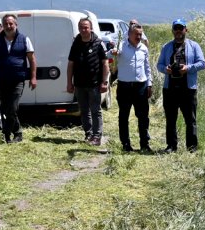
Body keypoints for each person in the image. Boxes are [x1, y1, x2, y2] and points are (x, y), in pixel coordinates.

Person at [156, 18, 205, 153]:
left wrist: (188, 68)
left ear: (186, 30)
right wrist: (165, 69)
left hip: (188, 88)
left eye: (181, 28)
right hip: (170, 88)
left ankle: (192, 148)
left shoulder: (194, 46)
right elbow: (159, 65)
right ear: (172, 30)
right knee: (171, 119)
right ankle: (171, 146)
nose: (178, 31)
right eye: (176, 28)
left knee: (190, 120)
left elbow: (202, 63)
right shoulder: (166, 47)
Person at [0, 13, 37, 143]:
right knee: (5, 109)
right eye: (6, 24)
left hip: (17, 80)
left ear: (16, 24)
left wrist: (33, 77)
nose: (8, 26)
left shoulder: (24, 39)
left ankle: (8, 133)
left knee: (12, 108)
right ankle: (16, 134)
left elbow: (32, 59)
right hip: (1, 80)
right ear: (3, 26)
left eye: (11, 23)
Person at [65, 17, 110, 146]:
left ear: (91, 28)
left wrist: (104, 82)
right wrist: (69, 82)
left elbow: (105, 63)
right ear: (78, 29)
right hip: (79, 84)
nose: (84, 30)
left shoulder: (98, 43)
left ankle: (97, 136)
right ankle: (88, 133)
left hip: (95, 84)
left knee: (96, 111)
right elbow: (70, 64)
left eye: (86, 27)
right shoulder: (76, 43)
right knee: (84, 111)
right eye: (81, 27)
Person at [114, 22, 153, 152]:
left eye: (141, 34)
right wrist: (112, 52)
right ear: (129, 34)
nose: (139, 37)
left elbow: (147, 68)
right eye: (136, 34)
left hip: (140, 86)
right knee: (124, 116)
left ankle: (144, 144)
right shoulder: (121, 46)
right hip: (124, 86)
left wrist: (149, 84)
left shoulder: (143, 49)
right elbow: (110, 55)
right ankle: (126, 144)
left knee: (143, 116)